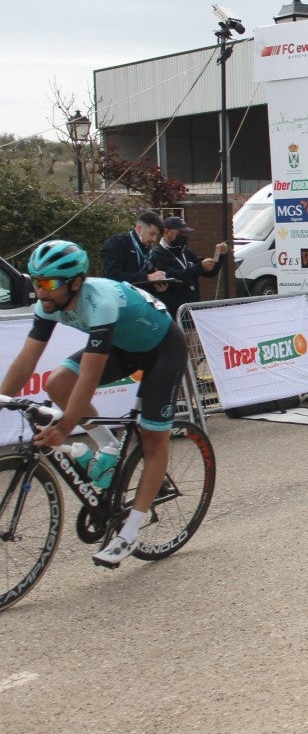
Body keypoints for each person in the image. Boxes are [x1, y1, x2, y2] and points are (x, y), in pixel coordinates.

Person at [0, 240, 187, 567]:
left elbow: (89, 376)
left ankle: (128, 535)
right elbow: (25, 361)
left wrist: (65, 427)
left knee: (152, 439)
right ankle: (110, 449)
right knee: (57, 382)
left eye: (48, 284)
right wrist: (2, 400)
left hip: (162, 350)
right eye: (35, 281)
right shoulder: (48, 304)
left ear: (75, 282)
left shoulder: (99, 303)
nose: (40, 292)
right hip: (124, 346)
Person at [149, 216, 229, 318]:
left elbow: (210, 273)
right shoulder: (158, 254)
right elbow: (173, 277)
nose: (183, 236)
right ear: (166, 232)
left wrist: (220, 256)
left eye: (185, 233)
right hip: (173, 312)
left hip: (192, 311)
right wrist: (199, 267)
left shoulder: (186, 252)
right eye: (180, 233)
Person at [101, 211, 168, 287]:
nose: (154, 239)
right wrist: (147, 277)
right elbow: (112, 276)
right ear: (139, 228)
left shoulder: (149, 251)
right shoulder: (117, 243)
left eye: (157, 236)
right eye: (152, 234)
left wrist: (157, 287)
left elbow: (148, 279)